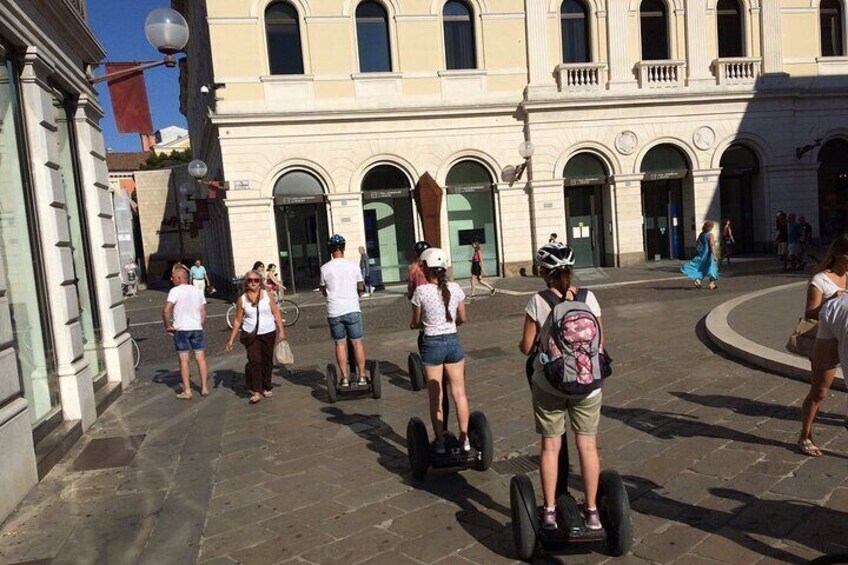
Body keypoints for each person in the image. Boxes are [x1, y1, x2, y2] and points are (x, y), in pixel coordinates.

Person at [518, 242, 604, 531]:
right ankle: (592, 512)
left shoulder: (538, 301)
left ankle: (551, 511)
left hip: (551, 384)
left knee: (550, 447)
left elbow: (525, 347)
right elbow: (601, 343)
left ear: (544, 272)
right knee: (588, 446)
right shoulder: (589, 298)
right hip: (588, 384)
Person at [410, 247, 469, 453]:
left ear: (426, 269)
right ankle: (465, 438)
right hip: (453, 341)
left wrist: (416, 325)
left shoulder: (421, 291)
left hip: (432, 344)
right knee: (459, 393)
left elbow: (416, 321)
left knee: (436, 396)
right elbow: (462, 317)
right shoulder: (455, 288)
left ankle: (441, 442)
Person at [797, 234, 848, 456]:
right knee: (819, 391)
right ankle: (805, 435)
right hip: (826, 336)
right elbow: (809, 312)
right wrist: (832, 300)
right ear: (839, 254)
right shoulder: (820, 280)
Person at [226, 270, 286, 404]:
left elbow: (276, 313)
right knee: (254, 360)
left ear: (259, 282)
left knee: (267, 360)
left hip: (269, 332)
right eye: (250, 280)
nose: (253, 283)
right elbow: (237, 320)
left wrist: (281, 331)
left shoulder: (267, 295)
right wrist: (231, 340)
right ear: (246, 283)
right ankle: (256, 390)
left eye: (256, 280)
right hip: (251, 334)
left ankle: (266, 386)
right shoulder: (242, 299)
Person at [320, 234, 367, 387]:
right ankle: (361, 376)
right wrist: (356, 294)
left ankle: (345, 378)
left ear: (331, 250)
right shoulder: (353, 266)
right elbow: (361, 286)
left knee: (340, 344)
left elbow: (323, 289)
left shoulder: (325, 268)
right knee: (357, 343)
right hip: (352, 308)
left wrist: (331, 294)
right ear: (344, 248)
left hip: (335, 310)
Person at [162, 268, 208, 400]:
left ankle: (187, 390)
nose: (171, 279)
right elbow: (203, 312)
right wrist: (200, 324)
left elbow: (166, 310)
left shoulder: (175, 291)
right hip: (196, 327)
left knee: (184, 360)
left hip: (181, 329)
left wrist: (168, 326)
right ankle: (204, 387)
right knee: (201, 358)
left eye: (173, 277)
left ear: (179, 278)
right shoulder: (197, 290)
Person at [681, 221, 719, 290]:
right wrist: (714, 255)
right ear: (710, 227)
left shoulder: (702, 234)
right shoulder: (710, 235)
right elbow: (712, 246)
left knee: (702, 267)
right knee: (712, 268)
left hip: (702, 253)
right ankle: (711, 284)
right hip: (709, 254)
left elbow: (698, 244)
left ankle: (698, 281)